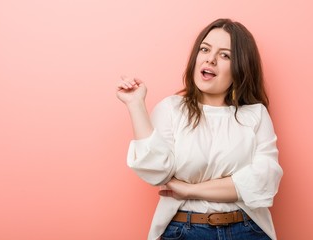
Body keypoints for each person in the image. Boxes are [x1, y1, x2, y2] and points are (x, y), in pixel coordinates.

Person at [116, 18, 283, 240]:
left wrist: (190, 190)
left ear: (240, 68)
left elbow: (265, 180)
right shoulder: (171, 109)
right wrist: (135, 105)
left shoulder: (255, 114)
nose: (210, 59)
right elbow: (156, 170)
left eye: (225, 55)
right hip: (185, 230)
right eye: (205, 49)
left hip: (248, 229)